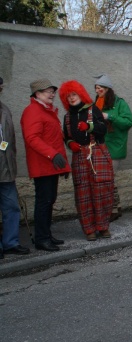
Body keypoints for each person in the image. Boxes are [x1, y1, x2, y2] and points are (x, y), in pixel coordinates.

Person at [20, 78, 71, 252]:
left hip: (51, 166)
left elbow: (55, 139)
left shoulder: (47, 111)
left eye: (52, 91)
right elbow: (32, 138)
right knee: (44, 201)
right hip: (42, 166)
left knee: (50, 201)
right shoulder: (33, 111)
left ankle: (46, 235)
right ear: (37, 94)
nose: (52, 94)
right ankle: (41, 239)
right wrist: (53, 155)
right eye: (47, 91)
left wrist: (63, 165)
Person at [59, 80, 112, 241]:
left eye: (74, 94)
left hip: (96, 151)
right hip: (79, 156)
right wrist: (70, 143)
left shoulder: (92, 109)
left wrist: (89, 127)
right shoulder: (67, 116)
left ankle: (103, 227)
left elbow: (103, 129)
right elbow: (66, 136)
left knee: (101, 190)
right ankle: (89, 229)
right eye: (68, 96)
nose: (71, 98)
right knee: (83, 193)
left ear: (80, 94)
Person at [93, 74, 132, 222]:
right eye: (96, 88)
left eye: (100, 88)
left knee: (108, 179)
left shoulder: (120, 103)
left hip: (115, 147)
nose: (98, 91)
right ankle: (114, 209)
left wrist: (109, 117)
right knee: (107, 180)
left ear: (107, 89)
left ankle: (111, 210)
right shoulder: (97, 103)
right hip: (100, 147)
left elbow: (129, 122)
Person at [0, 77, 30, 258]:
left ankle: (10, 242)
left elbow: (10, 141)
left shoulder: (4, 110)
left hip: (6, 169)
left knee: (11, 207)